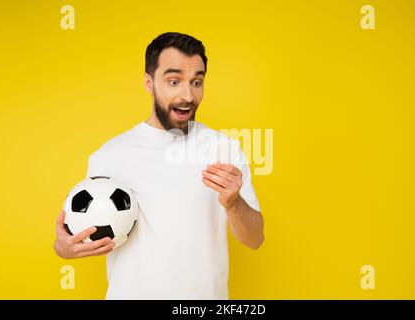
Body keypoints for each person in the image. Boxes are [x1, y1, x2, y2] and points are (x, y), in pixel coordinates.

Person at [54, 32, 264, 299]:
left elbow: (255, 239)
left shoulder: (224, 150)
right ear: (149, 83)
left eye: (197, 82)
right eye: (173, 81)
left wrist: (235, 203)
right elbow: (79, 238)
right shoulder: (109, 156)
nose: (187, 95)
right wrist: (64, 248)